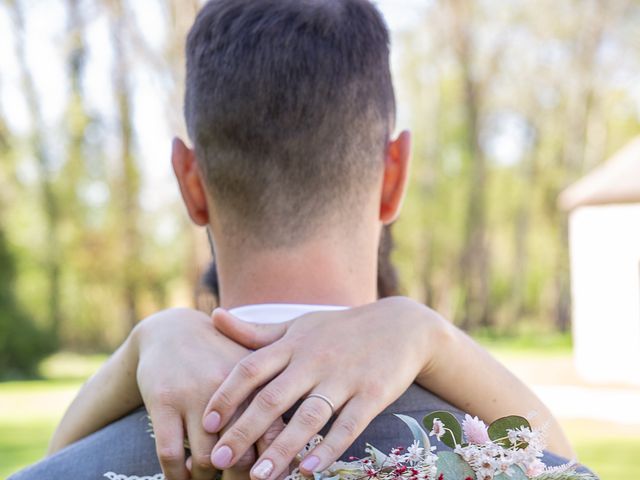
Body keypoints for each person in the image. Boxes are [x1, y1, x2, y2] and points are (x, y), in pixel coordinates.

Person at [9, 1, 586, 479]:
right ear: (394, 177)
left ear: (191, 183)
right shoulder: (521, 466)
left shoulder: (63, 468)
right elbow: (565, 464)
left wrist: (142, 341)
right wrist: (431, 334)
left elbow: (55, 462)